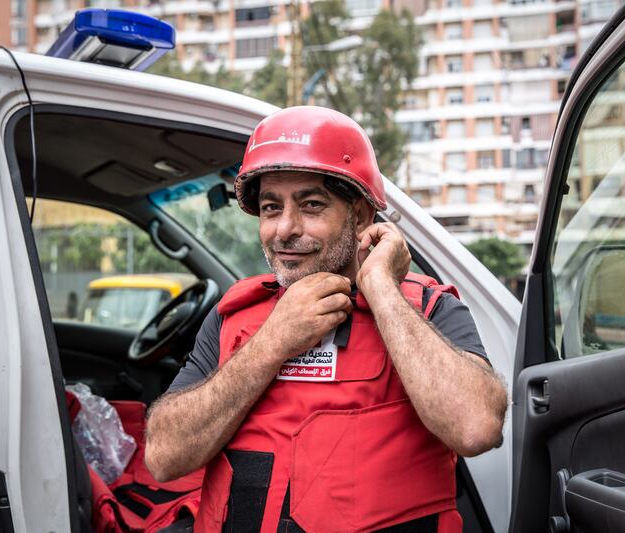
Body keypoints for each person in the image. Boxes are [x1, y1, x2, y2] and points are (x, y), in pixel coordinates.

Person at [145, 106, 508, 532]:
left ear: (359, 216)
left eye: (311, 205)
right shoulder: (235, 318)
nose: (284, 229)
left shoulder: (426, 310)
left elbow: (476, 428)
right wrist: (273, 341)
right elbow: (164, 457)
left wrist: (382, 289)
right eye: (270, 208)